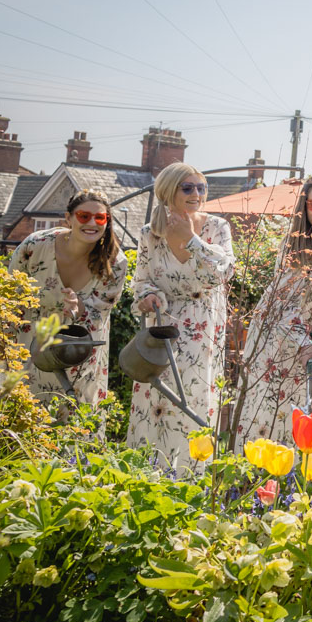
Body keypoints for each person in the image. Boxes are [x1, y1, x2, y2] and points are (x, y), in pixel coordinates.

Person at [127, 164, 235, 467]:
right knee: (157, 399)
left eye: (201, 187)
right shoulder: (149, 233)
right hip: (161, 326)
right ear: (168, 190)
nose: (196, 194)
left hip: (203, 326)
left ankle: (190, 476)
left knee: (194, 396)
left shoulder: (217, 227)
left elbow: (224, 272)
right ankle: (147, 474)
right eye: (187, 188)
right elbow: (141, 281)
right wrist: (148, 296)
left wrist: (191, 239)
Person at [235, 174, 312, 444]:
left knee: (304, 413)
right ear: (304, 207)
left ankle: (294, 480)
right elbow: (282, 305)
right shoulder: (294, 245)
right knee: (271, 412)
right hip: (277, 337)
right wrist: (303, 343)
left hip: (307, 337)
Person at [10, 189, 127, 412]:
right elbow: (9, 291)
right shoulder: (35, 246)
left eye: (100, 217)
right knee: (22, 410)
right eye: (84, 216)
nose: (92, 222)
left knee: (72, 415)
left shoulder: (115, 262)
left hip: (78, 346)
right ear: (68, 218)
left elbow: (99, 313)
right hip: (28, 340)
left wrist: (78, 308)